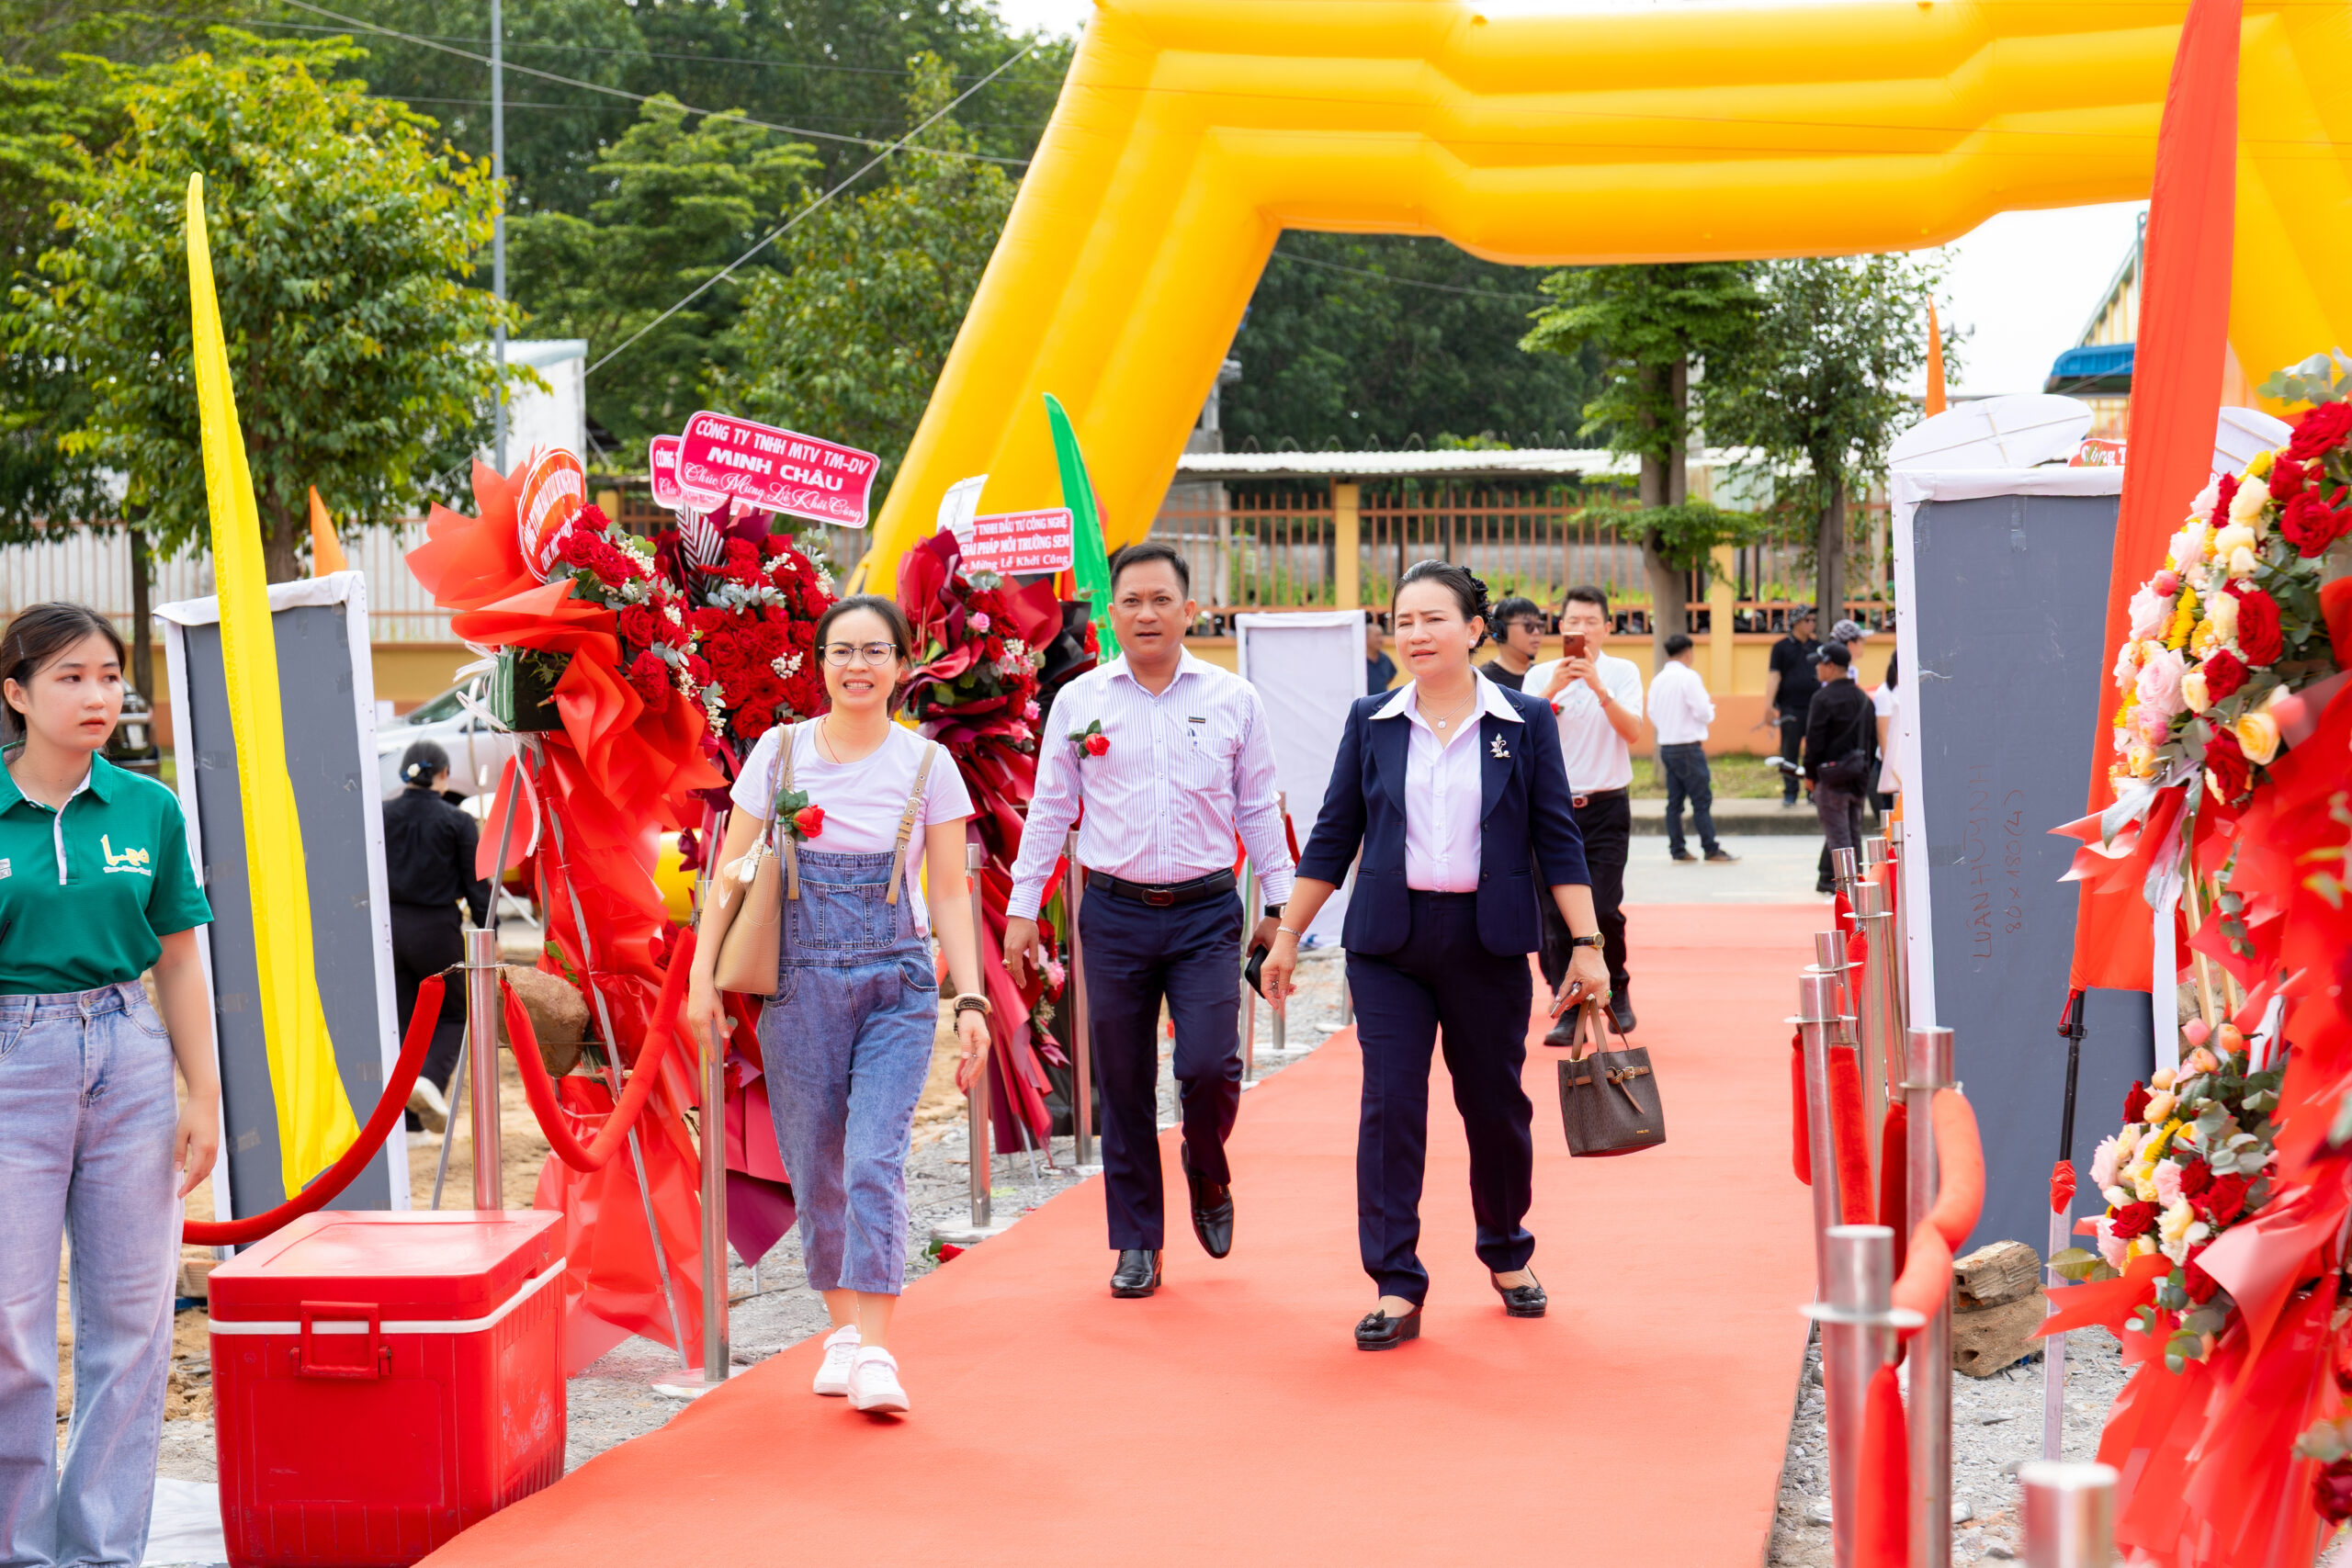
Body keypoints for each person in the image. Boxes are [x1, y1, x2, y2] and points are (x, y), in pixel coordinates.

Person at [1261, 561, 1605, 1350]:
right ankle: (1395, 1281)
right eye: (1404, 620)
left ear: (1474, 629)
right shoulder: (1372, 719)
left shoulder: (1523, 720)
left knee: (1495, 1107)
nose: (1415, 633)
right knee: (1390, 1108)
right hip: (1389, 946)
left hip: (1488, 942)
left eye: (1433, 619)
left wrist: (1587, 946)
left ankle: (1507, 1249)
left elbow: (1557, 839)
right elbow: (1333, 835)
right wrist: (1286, 934)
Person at [687, 594, 990, 1416]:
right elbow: (729, 874)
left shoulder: (929, 766)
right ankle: (845, 1332)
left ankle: (879, 1349)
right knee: (815, 1166)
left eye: (876, 650)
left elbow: (950, 894)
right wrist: (701, 980)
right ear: (819, 662)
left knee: (871, 1160)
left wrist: (970, 998)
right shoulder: (780, 752)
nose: (859, 665)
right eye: (842, 650)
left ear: (902, 663)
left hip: (898, 984)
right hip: (798, 985)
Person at [1004, 541, 1292, 1299]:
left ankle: (1205, 1160)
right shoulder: (1080, 700)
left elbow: (1259, 805)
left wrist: (1281, 908)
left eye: (1162, 599)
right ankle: (1137, 1240)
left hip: (1205, 914)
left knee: (1209, 1066)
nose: (1146, 613)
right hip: (1114, 915)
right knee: (1123, 1081)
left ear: (1189, 610)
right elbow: (1050, 810)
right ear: (1113, 612)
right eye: (1131, 600)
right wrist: (1022, 906)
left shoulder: (1234, 698)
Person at [0, 604, 216, 1566]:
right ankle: (17, 1547)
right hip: (13, 1059)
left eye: (109, 675)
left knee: (131, 1325)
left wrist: (202, 1094)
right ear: (17, 693)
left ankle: (99, 1551)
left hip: (130, 1058)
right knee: (9, 1328)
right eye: (71, 677)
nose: (99, 696)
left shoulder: (148, 808)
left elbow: (179, 959)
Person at [1521, 586, 1642, 1037]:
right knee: (1554, 915)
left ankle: (1616, 989)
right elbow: (1518, 734)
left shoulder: (1622, 672)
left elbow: (1632, 732)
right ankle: (1570, 1007)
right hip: (1551, 809)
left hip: (1606, 805)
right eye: (1574, 621)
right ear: (1561, 626)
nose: (1582, 630)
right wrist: (1554, 688)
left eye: (1592, 622)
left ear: (1607, 627)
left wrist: (1598, 688)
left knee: (1604, 908)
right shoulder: (1539, 676)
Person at [382, 739, 489, 1134]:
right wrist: (488, 931)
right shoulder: (457, 821)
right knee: (453, 1013)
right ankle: (428, 1081)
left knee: (402, 1020)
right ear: (443, 775)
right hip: (437, 931)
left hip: (389, 931)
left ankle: (407, 1123)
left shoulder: (381, 814)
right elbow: (476, 886)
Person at [1647, 633, 1735, 865]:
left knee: (1674, 802)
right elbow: (1703, 711)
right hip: (1688, 746)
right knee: (1701, 800)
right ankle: (1710, 847)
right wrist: (1709, 712)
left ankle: (1677, 849)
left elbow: (1652, 712)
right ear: (1688, 652)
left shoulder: (1658, 680)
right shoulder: (1688, 677)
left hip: (1667, 746)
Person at [1803, 641, 1873, 896]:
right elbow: (1871, 741)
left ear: (1830, 666)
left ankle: (1849, 895)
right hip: (1858, 778)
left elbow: (1814, 742)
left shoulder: (1822, 699)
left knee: (1839, 841)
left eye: (1819, 664)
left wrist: (1810, 775)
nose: (1817, 669)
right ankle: (1860, 893)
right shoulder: (1863, 699)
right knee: (1853, 836)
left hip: (1831, 780)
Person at [1764, 605, 1822, 807]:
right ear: (1796, 622)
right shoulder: (1781, 647)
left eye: (1813, 620)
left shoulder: (1818, 647)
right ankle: (1790, 791)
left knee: (1814, 751)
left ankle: (1812, 790)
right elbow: (1774, 676)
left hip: (1815, 708)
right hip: (1790, 708)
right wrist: (1768, 706)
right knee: (1789, 751)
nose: (1811, 624)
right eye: (1807, 620)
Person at [1477, 595, 1544, 690]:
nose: (1536, 632)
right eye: (1528, 625)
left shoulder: (1542, 675)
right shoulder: (1484, 681)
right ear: (1501, 631)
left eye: (1540, 626)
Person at [1871, 649, 1901, 819]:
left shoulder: (1912, 689)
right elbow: (1882, 735)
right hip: (1892, 763)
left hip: (1907, 761)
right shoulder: (1885, 693)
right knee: (1893, 813)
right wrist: (1891, 768)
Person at [1365, 617, 1397, 694]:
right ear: (1366, 638)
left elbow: (1392, 675)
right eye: (1377, 636)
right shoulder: (1358, 660)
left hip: (1382, 700)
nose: (1381, 639)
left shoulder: (1384, 658)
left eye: (1381, 635)